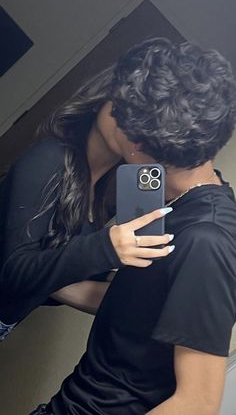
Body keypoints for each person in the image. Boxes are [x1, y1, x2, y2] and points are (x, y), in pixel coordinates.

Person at [31, 38, 236, 415]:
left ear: (137, 145)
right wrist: (39, 274)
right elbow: (128, 307)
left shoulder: (207, 242)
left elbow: (196, 404)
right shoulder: (148, 187)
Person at [0, 46, 176, 341]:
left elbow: (62, 271)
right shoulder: (51, 158)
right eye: (130, 102)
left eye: (150, 118)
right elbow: (15, 271)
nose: (134, 121)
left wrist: (134, 283)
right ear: (104, 97)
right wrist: (105, 249)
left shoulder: (103, 189)